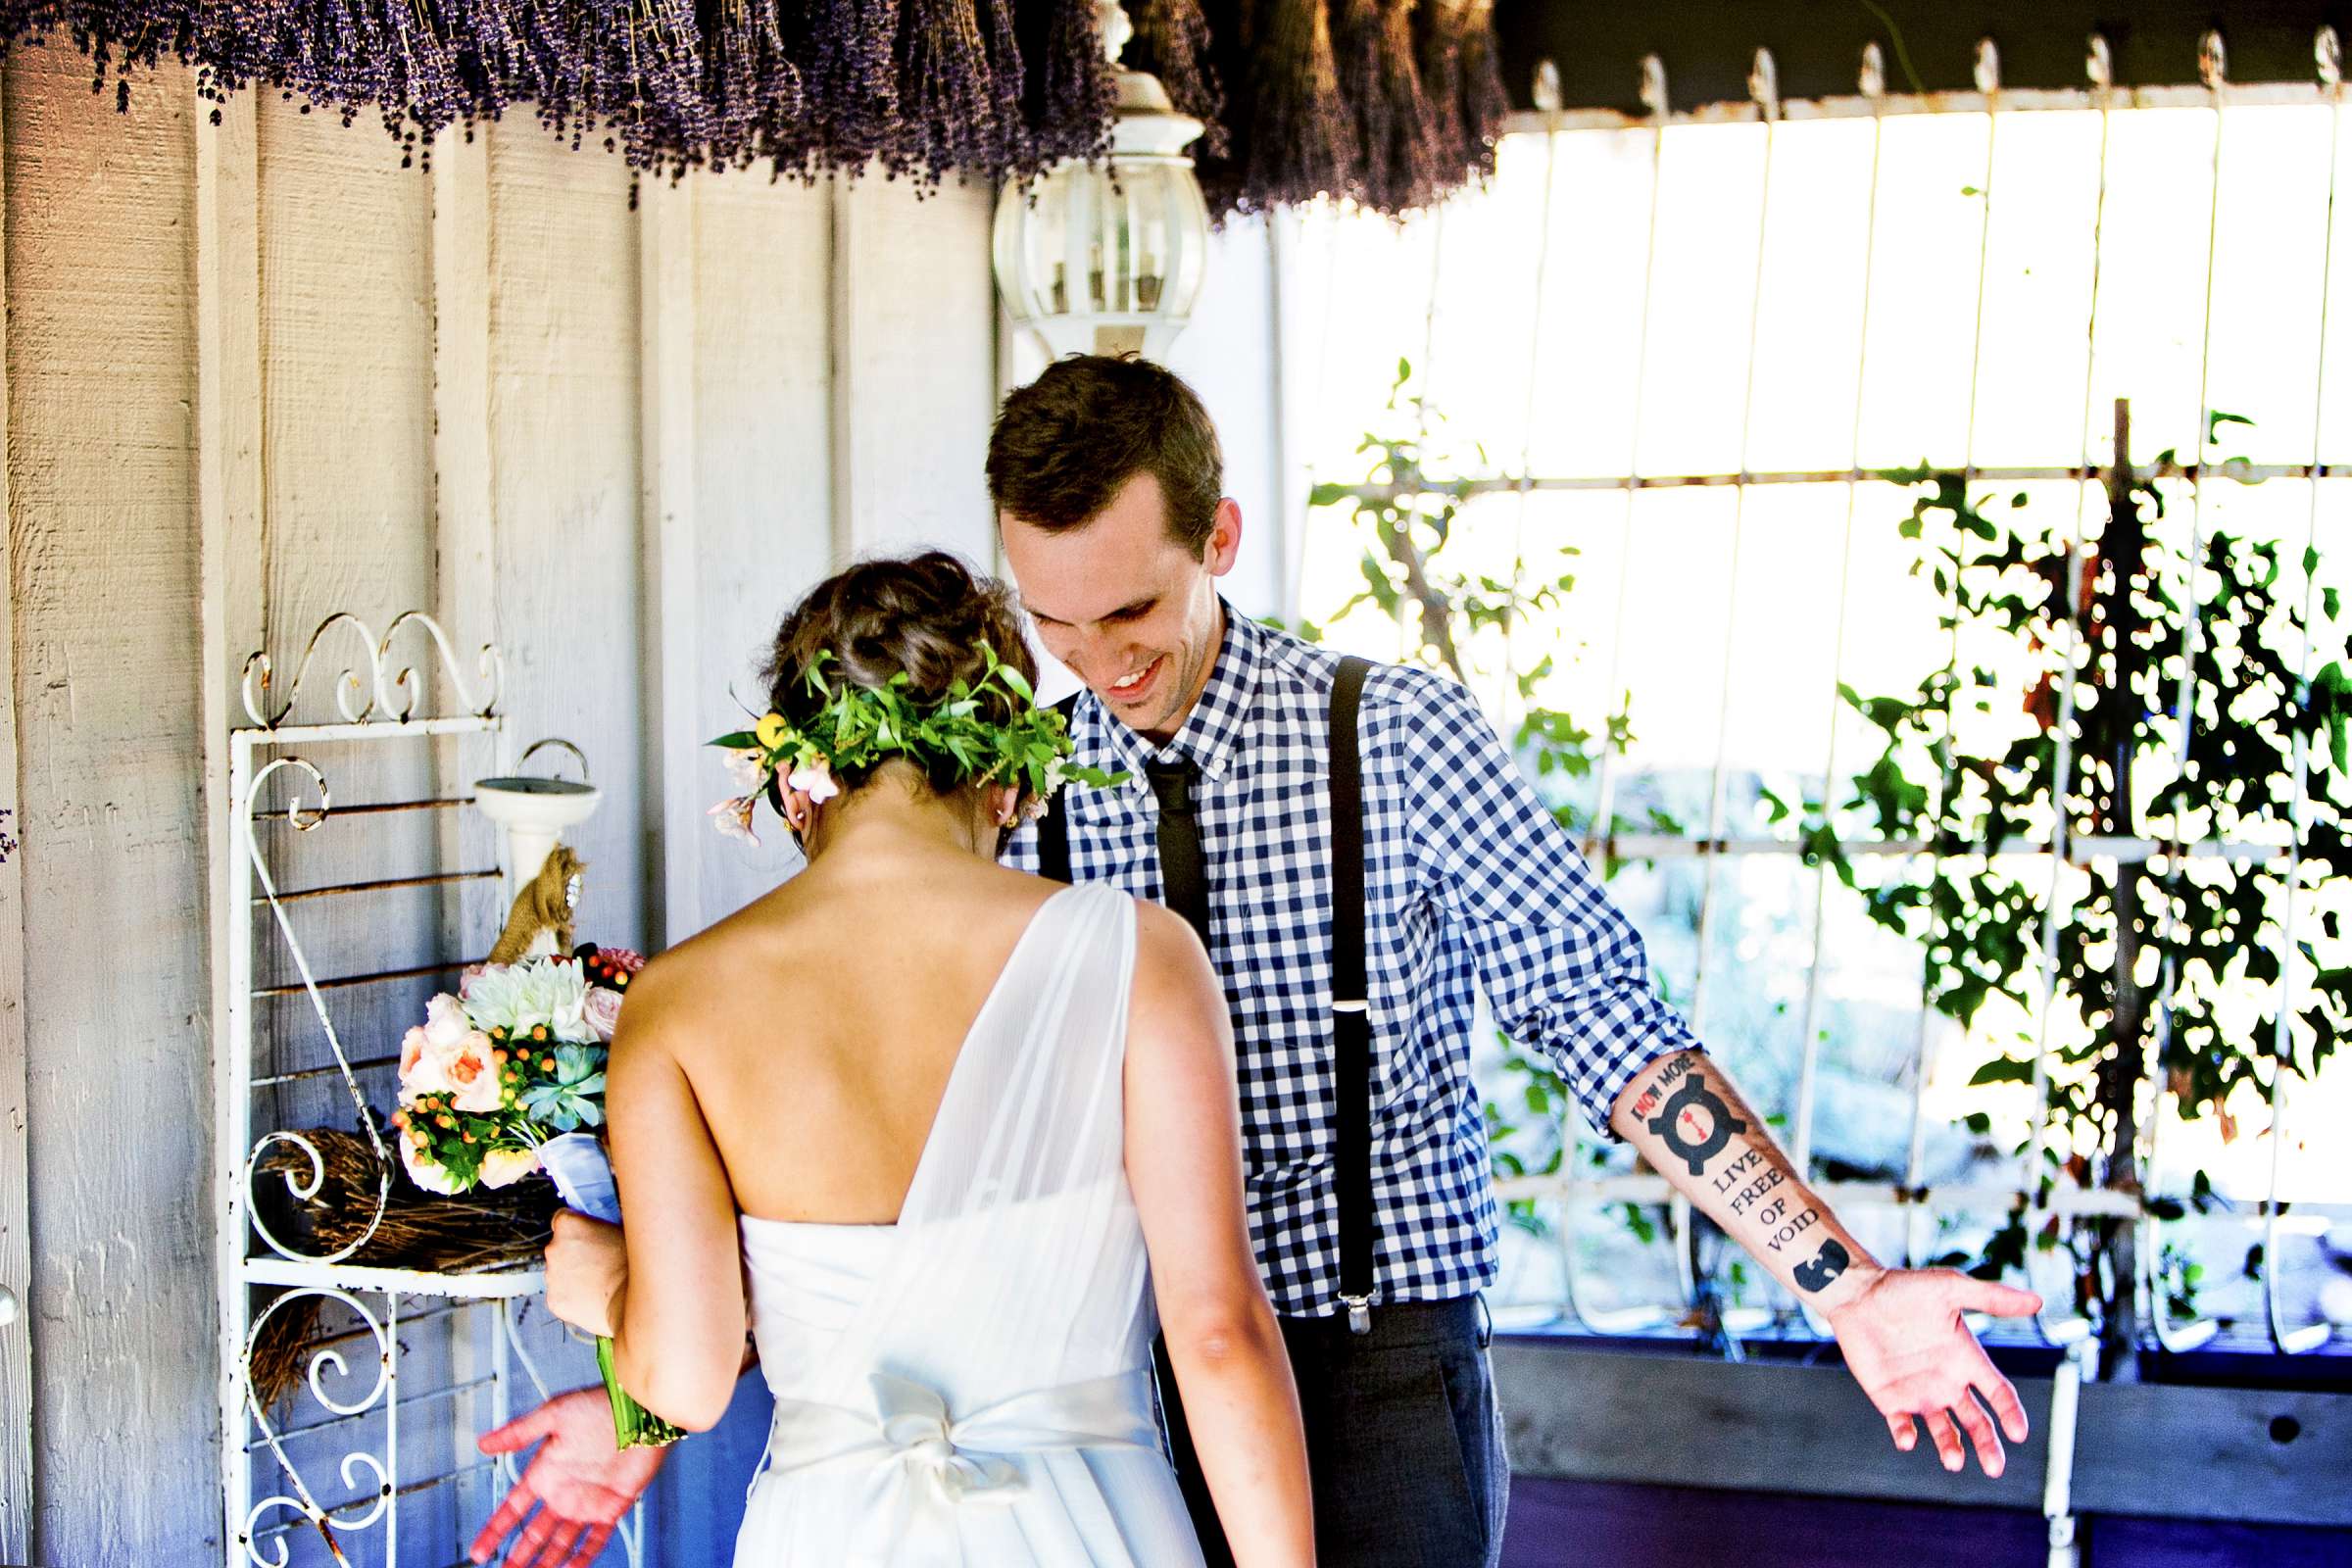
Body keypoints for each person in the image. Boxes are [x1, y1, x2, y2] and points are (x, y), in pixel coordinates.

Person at [477, 357, 2043, 1568]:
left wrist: (1844, 1286)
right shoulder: (994, 782)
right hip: (1093, 1400)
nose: (1097, 665)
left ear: (1220, 538)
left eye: (1134, 611)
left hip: (1369, 1383)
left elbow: (1600, 1020)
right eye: (1056, 624)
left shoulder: (1396, 735)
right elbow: (889, 1193)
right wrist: (636, 1417)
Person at [514, 553, 1314, 1566]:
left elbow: (687, 1376)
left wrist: (612, 1293)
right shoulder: (1139, 956)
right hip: (1099, 1527)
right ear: (1011, 775)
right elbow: (1218, 1335)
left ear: (792, 781)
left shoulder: (676, 1005)